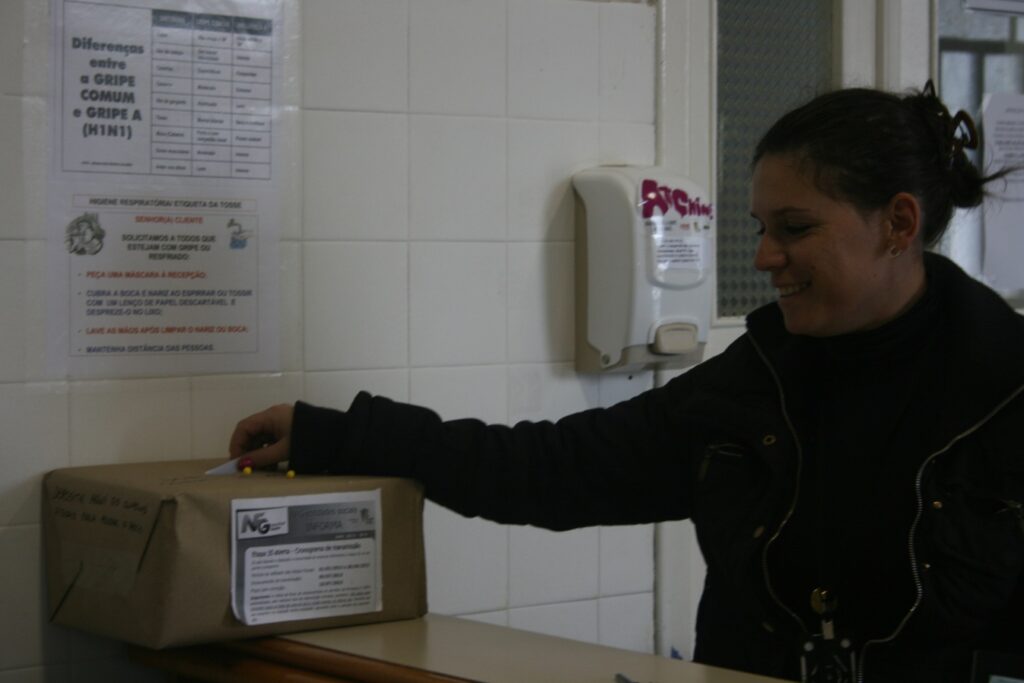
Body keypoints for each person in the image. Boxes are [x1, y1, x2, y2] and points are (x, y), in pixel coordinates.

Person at [229, 82, 1023, 683]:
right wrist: (338, 435)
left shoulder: (1006, 395)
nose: (763, 256)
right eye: (760, 228)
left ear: (899, 223)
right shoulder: (752, 387)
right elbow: (545, 468)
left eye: (795, 228)